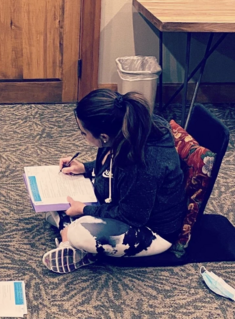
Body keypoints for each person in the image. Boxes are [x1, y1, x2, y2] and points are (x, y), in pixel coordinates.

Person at [42, 89, 186, 274]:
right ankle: (69, 235)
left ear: (104, 137)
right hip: (123, 203)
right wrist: (85, 168)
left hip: (151, 230)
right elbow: (111, 165)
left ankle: (70, 239)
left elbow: (133, 216)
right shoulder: (127, 129)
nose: (82, 136)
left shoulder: (141, 165)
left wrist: (84, 209)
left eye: (83, 133)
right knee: (51, 202)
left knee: (79, 234)